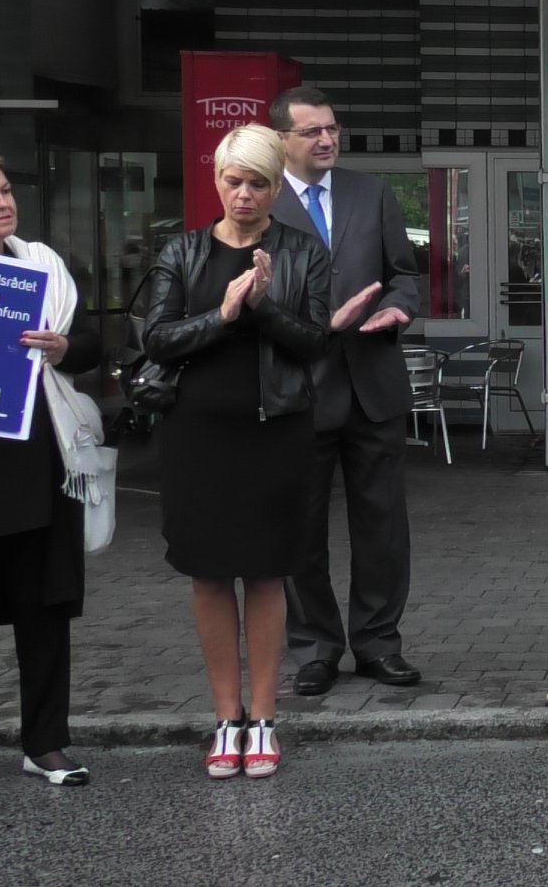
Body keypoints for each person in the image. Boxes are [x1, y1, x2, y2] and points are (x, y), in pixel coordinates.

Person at [145, 125, 340, 779]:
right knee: (208, 573)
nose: (245, 193)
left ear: (274, 185)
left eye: (259, 182)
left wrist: (259, 308)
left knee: (264, 571)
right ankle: (225, 718)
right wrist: (223, 314)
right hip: (197, 435)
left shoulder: (302, 251)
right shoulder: (184, 250)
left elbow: (315, 341)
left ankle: (263, 721)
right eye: (234, 180)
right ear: (218, 180)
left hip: (275, 429)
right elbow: (158, 338)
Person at [269, 86, 425, 697]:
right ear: (283, 139)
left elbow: (405, 274)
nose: (327, 139)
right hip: (300, 391)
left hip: (372, 385)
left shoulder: (372, 192)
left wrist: (396, 308)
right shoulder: (262, 199)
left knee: (383, 528)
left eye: (332, 128)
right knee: (302, 531)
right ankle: (315, 648)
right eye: (312, 132)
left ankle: (379, 644)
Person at [0, 157, 100, 787]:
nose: (4, 203)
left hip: (43, 457)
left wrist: (63, 348)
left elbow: (91, 345)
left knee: (44, 607)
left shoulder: (46, 269)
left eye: (6, 190)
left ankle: (46, 743)